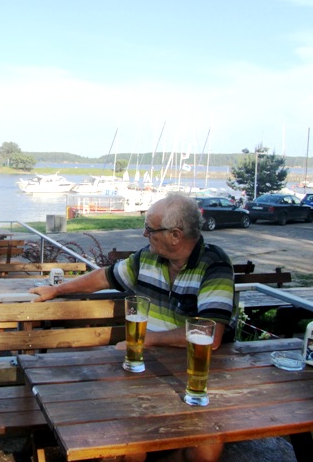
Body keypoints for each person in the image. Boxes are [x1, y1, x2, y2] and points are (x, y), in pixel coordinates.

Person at [30, 193, 236, 462]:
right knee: (130, 448)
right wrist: (57, 290)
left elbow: (212, 334)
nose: (144, 234)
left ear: (175, 235)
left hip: (189, 376)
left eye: (150, 229)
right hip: (143, 371)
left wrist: (148, 339)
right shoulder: (147, 258)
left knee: (206, 451)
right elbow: (104, 277)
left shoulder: (214, 265)